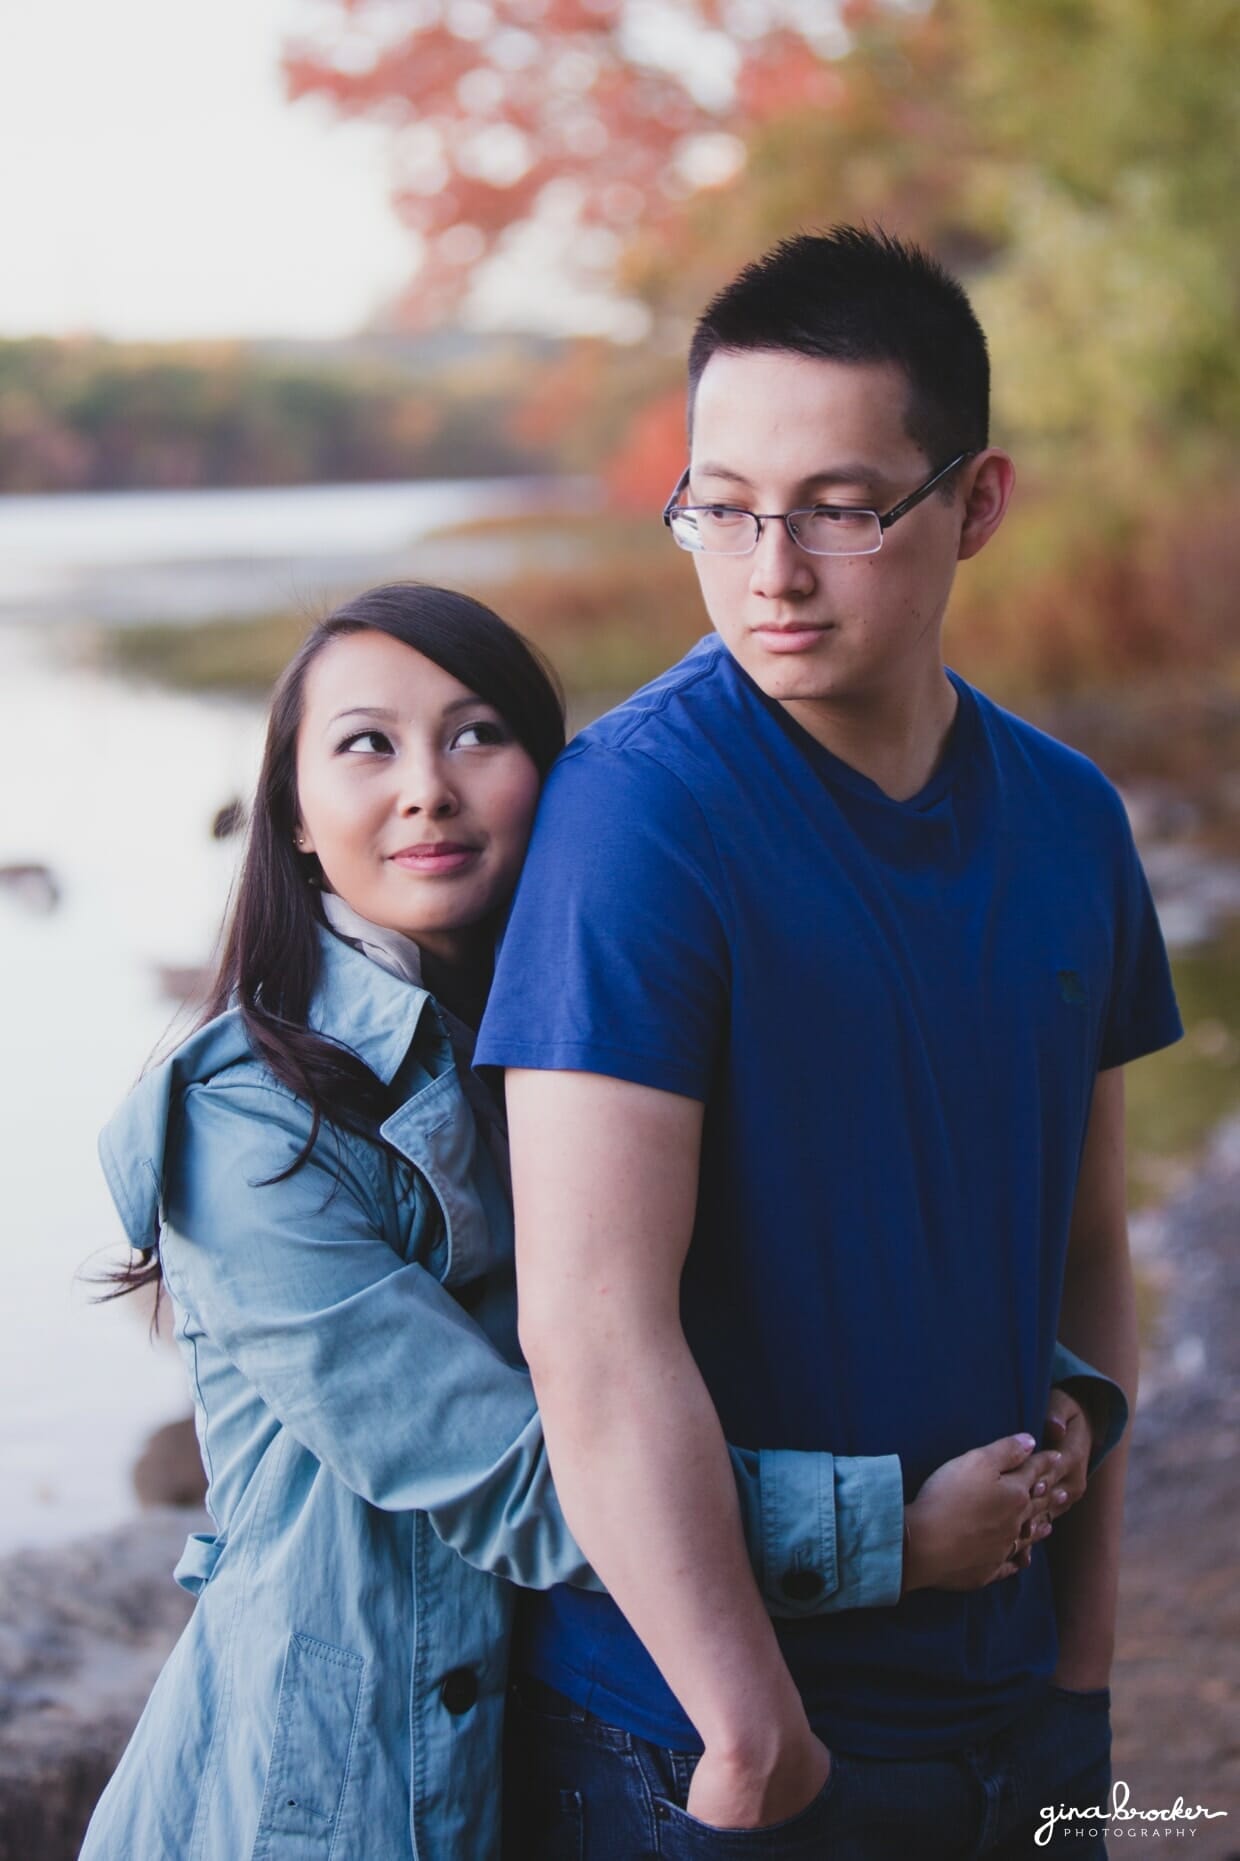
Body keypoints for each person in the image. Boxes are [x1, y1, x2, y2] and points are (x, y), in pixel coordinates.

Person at [80, 584, 1113, 1861]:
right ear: (291, 814)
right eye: (365, 745)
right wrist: (890, 1536)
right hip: (345, 1796)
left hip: (574, 1742)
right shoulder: (250, 1130)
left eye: (474, 735)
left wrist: (1046, 1386)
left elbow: (775, 1273)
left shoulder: (609, 1021)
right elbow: (505, 1472)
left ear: (553, 781)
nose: (426, 789)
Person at [477, 229, 1183, 1859]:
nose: (767, 571)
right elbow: (591, 1328)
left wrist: (1082, 1668)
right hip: (715, 1747)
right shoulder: (639, 815)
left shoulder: (1071, 822)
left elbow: (1083, 1254)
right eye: (719, 505)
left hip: (1016, 1717)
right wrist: (750, 1735)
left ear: (977, 504)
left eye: (841, 508)